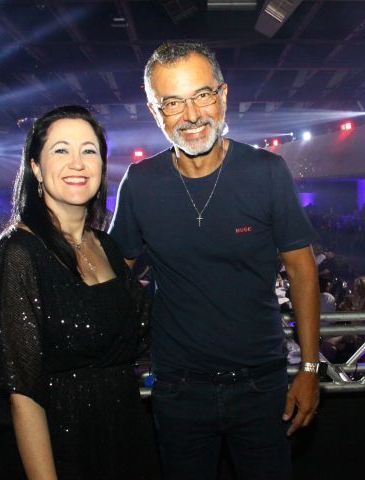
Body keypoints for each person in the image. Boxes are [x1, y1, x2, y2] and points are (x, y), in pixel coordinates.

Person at [110, 41, 321, 480]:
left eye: (202, 95)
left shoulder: (266, 172)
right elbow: (114, 278)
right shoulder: (140, 182)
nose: (191, 115)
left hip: (263, 385)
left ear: (223, 95)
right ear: (155, 112)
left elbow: (302, 271)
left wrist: (308, 368)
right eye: (172, 102)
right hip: (178, 389)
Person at [0, 105, 158, 480]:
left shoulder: (107, 247)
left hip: (125, 435)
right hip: (61, 447)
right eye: (61, 150)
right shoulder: (18, 254)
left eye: (89, 150)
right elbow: (23, 396)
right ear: (36, 168)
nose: (77, 162)